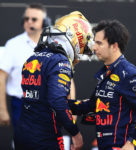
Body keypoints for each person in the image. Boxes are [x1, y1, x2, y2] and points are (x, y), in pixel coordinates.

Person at [14, 11, 94, 150]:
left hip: (23, 134)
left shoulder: (33, 57)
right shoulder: (60, 61)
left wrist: (84, 107)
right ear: (76, 38)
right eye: (83, 49)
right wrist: (75, 133)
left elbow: (44, 100)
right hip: (45, 138)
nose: (80, 56)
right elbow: (57, 102)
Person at [68, 19, 136, 150]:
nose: (94, 47)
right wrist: (58, 103)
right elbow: (92, 105)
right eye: (95, 42)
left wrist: (131, 143)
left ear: (114, 46)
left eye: (99, 43)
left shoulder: (129, 74)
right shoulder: (107, 73)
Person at [0, 3, 51, 128]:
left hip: (48, 105)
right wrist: (2, 110)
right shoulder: (13, 44)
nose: (29, 22)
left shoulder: (52, 44)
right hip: (21, 105)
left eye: (34, 19)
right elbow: (1, 77)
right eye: (26, 19)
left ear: (44, 23)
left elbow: (67, 79)